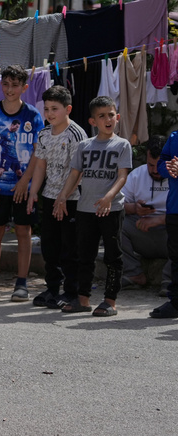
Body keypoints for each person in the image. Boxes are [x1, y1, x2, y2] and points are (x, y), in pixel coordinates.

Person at [54, 96, 131, 316]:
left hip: (111, 209)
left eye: (111, 115)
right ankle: (83, 299)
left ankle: (110, 301)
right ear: (92, 121)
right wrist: (62, 196)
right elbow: (75, 174)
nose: (108, 119)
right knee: (84, 255)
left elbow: (122, 176)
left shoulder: (122, 144)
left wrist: (108, 197)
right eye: (101, 116)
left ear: (117, 117)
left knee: (112, 256)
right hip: (85, 209)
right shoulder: (84, 146)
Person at [0, 65, 43, 302]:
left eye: (15, 85)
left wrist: (25, 182)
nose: (9, 89)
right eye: (5, 84)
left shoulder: (32, 115)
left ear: (24, 87)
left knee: (24, 231)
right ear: (0, 84)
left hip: (22, 187)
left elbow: (37, 151)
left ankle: (21, 284)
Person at [25, 86, 86, 308]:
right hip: (50, 197)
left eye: (55, 109)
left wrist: (63, 196)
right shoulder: (43, 134)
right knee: (50, 246)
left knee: (70, 247)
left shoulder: (76, 135)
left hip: (72, 199)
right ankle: (52, 288)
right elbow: (40, 164)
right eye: (47, 109)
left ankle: (72, 291)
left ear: (68, 109)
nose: (50, 114)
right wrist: (34, 192)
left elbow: (77, 171)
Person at [119, 136, 170, 292]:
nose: (154, 170)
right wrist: (134, 208)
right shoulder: (137, 175)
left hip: (171, 234)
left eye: (159, 166)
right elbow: (117, 204)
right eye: (150, 165)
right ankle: (134, 273)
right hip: (142, 232)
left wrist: (160, 220)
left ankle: (170, 280)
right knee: (113, 222)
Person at [151, 131, 178, 318]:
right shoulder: (174, 137)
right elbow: (161, 164)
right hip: (175, 207)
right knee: (176, 258)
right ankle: (176, 302)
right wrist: (168, 168)